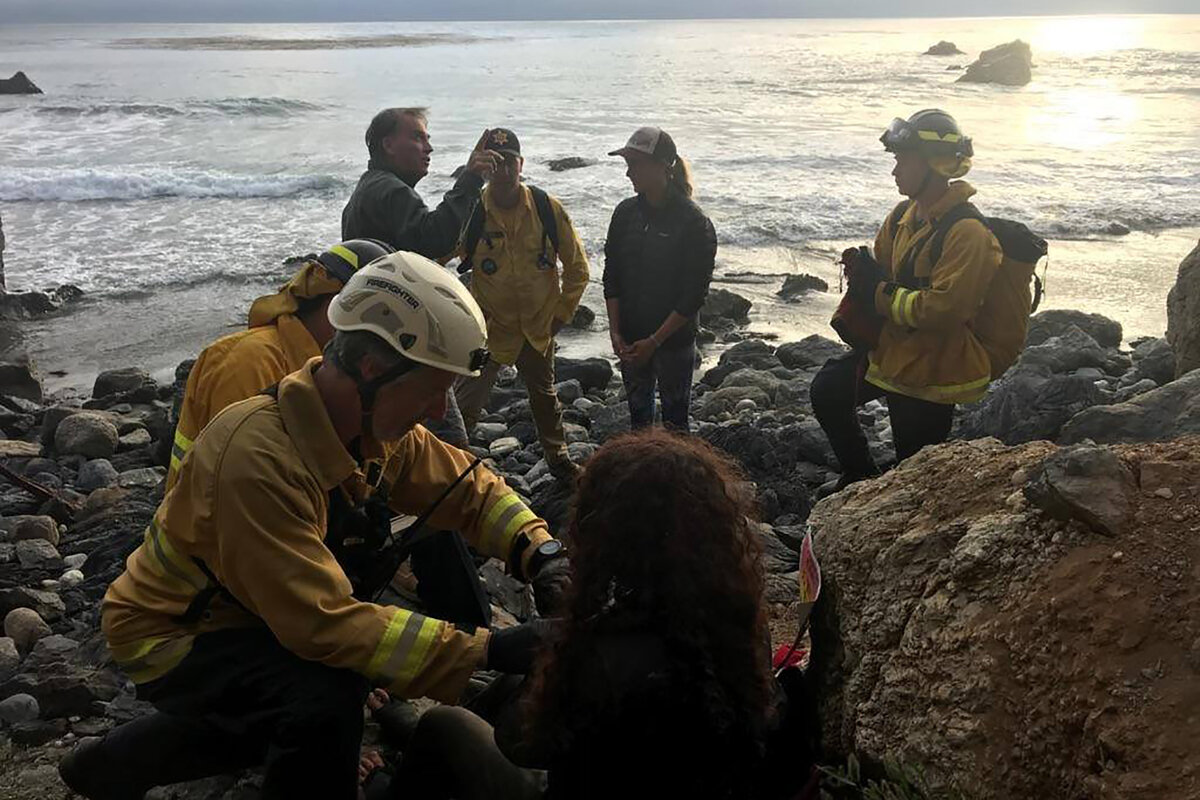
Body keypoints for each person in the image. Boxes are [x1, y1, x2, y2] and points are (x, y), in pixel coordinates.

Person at [59, 252, 571, 800]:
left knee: (283, 707)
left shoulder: (370, 429)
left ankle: (104, 768)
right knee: (323, 697)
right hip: (175, 632)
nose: (440, 411)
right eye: (432, 389)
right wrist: (489, 650)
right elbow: (322, 625)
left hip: (254, 610)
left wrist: (541, 553)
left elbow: (467, 489)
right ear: (372, 368)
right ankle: (124, 763)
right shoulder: (256, 457)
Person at [378, 429, 774, 800]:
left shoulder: (601, 660)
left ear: (606, 536)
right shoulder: (733, 622)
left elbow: (519, 743)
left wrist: (540, 660)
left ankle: (389, 773)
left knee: (444, 725)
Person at [811, 109, 1002, 496]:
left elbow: (945, 310)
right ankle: (859, 476)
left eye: (903, 161)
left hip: (932, 369)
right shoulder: (903, 216)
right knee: (828, 390)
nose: (895, 171)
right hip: (895, 351)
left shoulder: (968, 233)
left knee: (915, 476)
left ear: (933, 165)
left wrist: (879, 294)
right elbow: (884, 270)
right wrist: (865, 276)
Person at [166, 239, 394, 490]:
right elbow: (243, 480)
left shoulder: (335, 371)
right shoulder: (249, 361)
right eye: (376, 323)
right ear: (337, 304)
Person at [453, 128, 590, 481]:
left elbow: (578, 268)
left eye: (509, 162)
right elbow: (438, 256)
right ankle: (449, 463)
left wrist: (560, 316)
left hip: (536, 327)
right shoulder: (472, 212)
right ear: (485, 167)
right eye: (495, 162)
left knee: (544, 397)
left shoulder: (546, 208)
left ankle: (558, 460)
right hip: (488, 329)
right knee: (464, 402)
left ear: (521, 164)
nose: (503, 170)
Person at [602, 127, 716, 433]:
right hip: (630, 338)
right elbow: (612, 275)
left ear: (664, 166)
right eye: (628, 164)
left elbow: (694, 295)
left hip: (674, 343)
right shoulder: (624, 214)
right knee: (639, 424)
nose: (629, 173)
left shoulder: (694, 222)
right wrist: (615, 332)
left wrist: (655, 341)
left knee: (676, 426)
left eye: (636, 164)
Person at [341, 107, 499, 258]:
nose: (429, 148)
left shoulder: (368, 187)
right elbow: (435, 240)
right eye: (418, 138)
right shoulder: (392, 190)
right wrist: (470, 179)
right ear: (388, 145)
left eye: (427, 139)